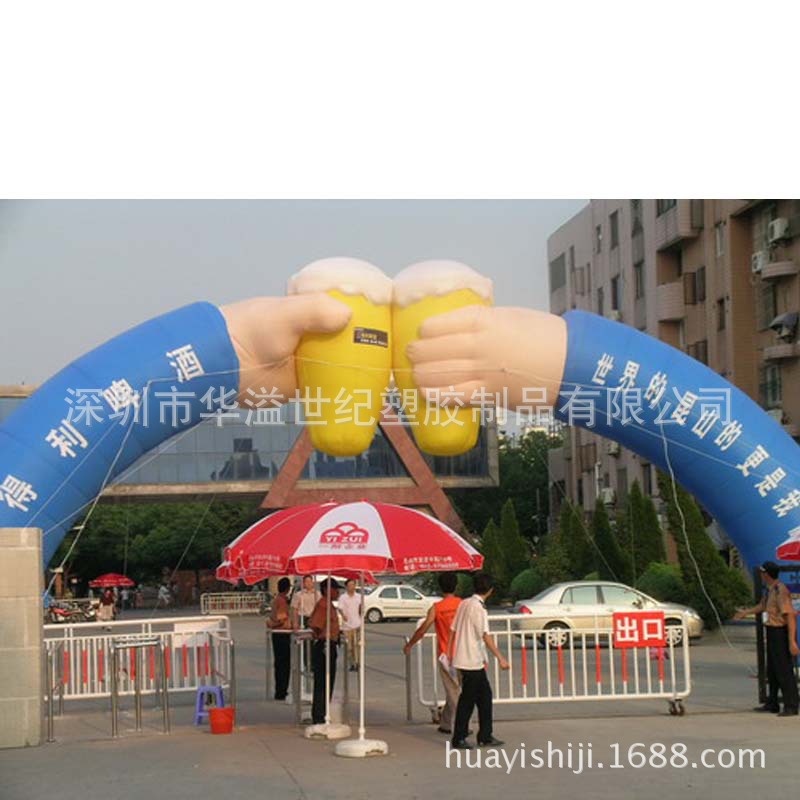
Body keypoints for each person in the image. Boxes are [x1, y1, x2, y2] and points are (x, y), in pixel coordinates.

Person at [448, 572, 509, 749]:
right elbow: (485, 635)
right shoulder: (479, 609)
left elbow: (453, 629)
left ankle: (485, 735)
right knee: (467, 700)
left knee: (484, 696)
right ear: (490, 590)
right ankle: (459, 737)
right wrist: (500, 658)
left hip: (466, 658)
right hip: (471, 660)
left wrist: (449, 652)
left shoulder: (464, 603)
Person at [735, 560, 799, 716]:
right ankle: (772, 702)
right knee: (772, 669)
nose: (762, 575)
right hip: (771, 631)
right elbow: (762, 606)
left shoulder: (780, 591)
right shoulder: (770, 590)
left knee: (783, 670)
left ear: (767, 574)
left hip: (780, 632)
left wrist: (792, 641)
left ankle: (791, 705)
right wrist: (745, 613)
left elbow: (790, 616)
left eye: (763, 573)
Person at [403, 572, 463, 734]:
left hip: (445, 655)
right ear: (456, 586)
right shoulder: (462, 605)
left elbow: (423, 629)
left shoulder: (437, 608)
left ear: (440, 587)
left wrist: (410, 644)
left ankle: (459, 725)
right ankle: (447, 723)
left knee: (453, 691)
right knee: (457, 691)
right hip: (464, 653)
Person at [309, 578, 341, 725]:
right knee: (323, 683)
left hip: (330, 644)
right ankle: (319, 716)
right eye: (335, 589)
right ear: (327, 590)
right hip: (324, 646)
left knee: (328, 682)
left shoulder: (329, 605)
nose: (338, 592)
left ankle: (323, 713)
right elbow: (316, 625)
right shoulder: (323, 605)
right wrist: (322, 636)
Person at [266, 577, 292, 700]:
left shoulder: (276, 600)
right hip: (282, 634)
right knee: (284, 664)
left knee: (279, 663)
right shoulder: (281, 601)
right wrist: (272, 624)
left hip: (278, 634)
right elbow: (281, 619)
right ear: (287, 589)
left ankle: (280, 690)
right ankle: (282, 691)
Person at [338, 578, 363, 672]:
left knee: (357, 645)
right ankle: (352, 663)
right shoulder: (343, 597)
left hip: (357, 624)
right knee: (349, 647)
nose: (352, 587)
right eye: (350, 585)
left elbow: (362, 608)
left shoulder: (359, 597)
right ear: (346, 587)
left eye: (353, 585)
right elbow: (340, 608)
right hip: (347, 626)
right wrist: (343, 615)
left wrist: (361, 613)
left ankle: (358, 663)